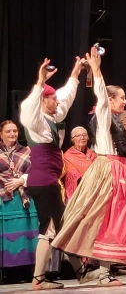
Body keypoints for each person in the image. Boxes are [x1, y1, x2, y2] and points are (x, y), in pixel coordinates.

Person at [51, 46, 126, 286]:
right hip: (108, 171)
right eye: (121, 97)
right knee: (106, 219)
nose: (125, 101)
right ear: (111, 100)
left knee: (117, 220)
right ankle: (101, 271)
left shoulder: (116, 121)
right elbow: (102, 98)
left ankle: (118, 267)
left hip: (120, 172)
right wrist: (96, 71)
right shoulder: (104, 118)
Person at [19, 56, 85, 290]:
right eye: (53, 98)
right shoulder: (36, 122)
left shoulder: (51, 117)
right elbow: (27, 110)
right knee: (49, 229)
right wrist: (39, 82)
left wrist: (75, 74)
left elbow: (66, 98)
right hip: (43, 182)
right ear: (44, 100)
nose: (58, 101)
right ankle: (38, 279)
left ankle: (81, 271)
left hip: (47, 182)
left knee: (63, 226)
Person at [0, 120, 38, 272]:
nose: (12, 134)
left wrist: (21, 180)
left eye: (14, 131)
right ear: (1, 134)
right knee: (6, 238)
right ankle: (6, 272)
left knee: (24, 237)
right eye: (8, 131)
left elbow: (35, 172)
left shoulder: (26, 151)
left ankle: (25, 271)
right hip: (4, 200)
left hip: (24, 200)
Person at [62, 126, 97, 203]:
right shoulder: (67, 156)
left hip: (94, 192)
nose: (82, 137)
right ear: (72, 139)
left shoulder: (93, 155)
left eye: (84, 135)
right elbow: (71, 176)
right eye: (78, 136)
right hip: (77, 194)